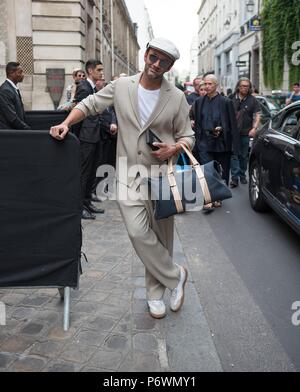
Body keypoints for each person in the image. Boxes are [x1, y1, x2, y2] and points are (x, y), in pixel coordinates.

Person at [50, 37, 194, 319]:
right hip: (128, 174)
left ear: (170, 66)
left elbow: (188, 135)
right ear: (146, 55)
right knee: (138, 232)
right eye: (153, 57)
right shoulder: (122, 86)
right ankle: (176, 276)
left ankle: (155, 295)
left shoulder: (176, 97)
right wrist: (66, 123)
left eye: (163, 61)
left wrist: (174, 147)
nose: (156, 64)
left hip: (161, 177)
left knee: (161, 238)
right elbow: (90, 104)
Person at [192, 74, 239, 210]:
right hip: (204, 142)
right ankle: (209, 198)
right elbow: (197, 121)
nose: (207, 86)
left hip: (222, 143)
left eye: (210, 84)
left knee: (220, 172)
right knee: (207, 171)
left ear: (216, 85)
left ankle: (218, 196)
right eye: (205, 84)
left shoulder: (226, 102)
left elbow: (232, 125)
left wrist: (223, 130)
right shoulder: (199, 102)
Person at [73, 59, 105, 219]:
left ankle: (87, 202)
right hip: (86, 138)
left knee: (92, 172)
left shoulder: (92, 88)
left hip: (95, 136)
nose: (101, 73)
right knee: (84, 173)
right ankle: (79, 207)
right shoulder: (84, 87)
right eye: (99, 70)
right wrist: (78, 138)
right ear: (90, 71)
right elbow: (79, 114)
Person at [229, 78, 261, 188]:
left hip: (246, 132)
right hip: (232, 133)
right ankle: (234, 178)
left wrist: (254, 128)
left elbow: (257, 114)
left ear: (249, 87)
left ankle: (242, 174)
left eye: (247, 86)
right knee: (234, 155)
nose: (244, 88)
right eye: (242, 86)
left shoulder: (253, 100)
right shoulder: (231, 98)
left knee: (243, 156)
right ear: (238, 86)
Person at [0, 62, 30, 130]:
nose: (23, 75)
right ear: (11, 73)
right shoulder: (5, 90)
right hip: (9, 134)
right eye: (20, 72)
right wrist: (27, 130)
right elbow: (12, 118)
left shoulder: (12, 88)